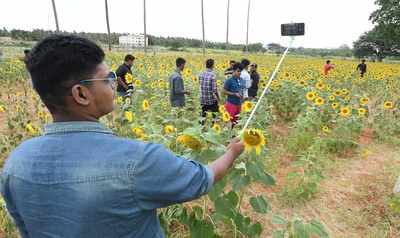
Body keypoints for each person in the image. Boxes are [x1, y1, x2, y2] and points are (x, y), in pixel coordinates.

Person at [0, 35, 244, 238]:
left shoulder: (15, 163)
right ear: (81, 94)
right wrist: (232, 152)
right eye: (107, 78)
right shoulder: (137, 160)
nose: (114, 84)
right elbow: (201, 179)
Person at [199, 58, 220, 125]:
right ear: (213, 65)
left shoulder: (201, 74)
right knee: (215, 115)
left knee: (203, 116)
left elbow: (200, 84)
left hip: (203, 99)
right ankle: (214, 126)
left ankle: (201, 127)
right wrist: (218, 98)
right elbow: (214, 90)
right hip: (211, 100)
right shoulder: (212, 75)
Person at [224, 63, 243, 127]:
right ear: (234, 71)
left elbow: (241, 89)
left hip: (239, 104)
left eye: (240, 71)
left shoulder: (240, 80)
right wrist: (234, 94)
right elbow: (224, 91)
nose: (239, 73)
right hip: (231, 104)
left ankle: (232, 134)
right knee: (228, 121)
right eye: (238, 71)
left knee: (235, 122)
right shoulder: (229, 80)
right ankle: (226, 135)